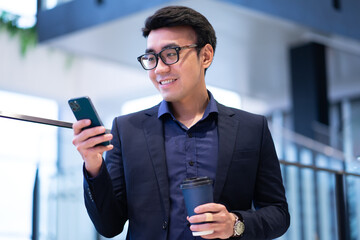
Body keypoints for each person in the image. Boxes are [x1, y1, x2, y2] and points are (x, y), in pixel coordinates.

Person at [72, 5, 290, 240]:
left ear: (205, 55)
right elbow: (109, 226)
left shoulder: (251, 128)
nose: (160, 69)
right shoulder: (127, 130)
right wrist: (93, 164)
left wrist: (235, 224)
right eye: (151, 58)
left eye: (171, 54)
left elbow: (278, 213)